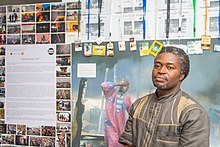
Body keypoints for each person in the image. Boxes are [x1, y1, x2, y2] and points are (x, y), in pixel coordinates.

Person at [119, 46, 210, 147]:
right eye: (157, 66)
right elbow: (128, 143)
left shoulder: (193, 113)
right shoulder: (138, 105)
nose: (161, 71)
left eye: (170, 67)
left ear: (181, 75)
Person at [101, 80, 132, 147]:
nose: (126, 88)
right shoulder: (111, 93)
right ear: (121, 86)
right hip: (110, 123)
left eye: (127, 87)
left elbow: (130, 110)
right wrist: (118, 83)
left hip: (120, 124)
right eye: (125, 86)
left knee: (119, 141)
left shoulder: (127, 97)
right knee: (111, 141)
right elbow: (103, 85)